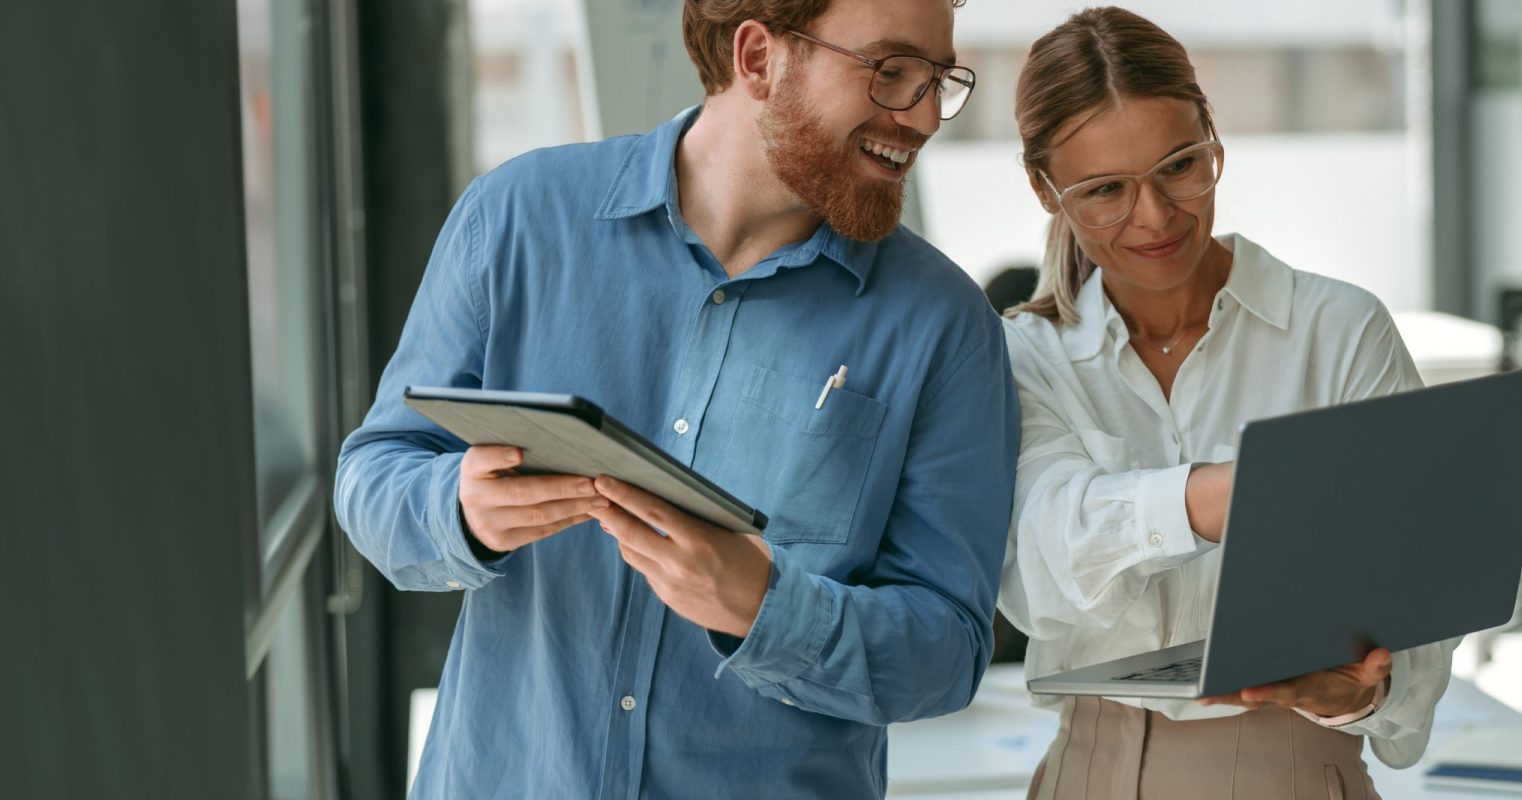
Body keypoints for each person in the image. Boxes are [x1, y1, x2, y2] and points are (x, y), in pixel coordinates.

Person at [332, 0, 1018, 796]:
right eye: (891, 72)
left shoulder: (947, 327)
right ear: (759, 57)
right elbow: (372, 472)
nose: (927, 116)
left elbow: (950, 650)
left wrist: (768, 607)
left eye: (939, 79)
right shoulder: (517, 219)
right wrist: (458, 509)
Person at [995, 8, 1457, 799]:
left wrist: (1365, 693)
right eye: (1105, 190)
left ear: (1214, 135)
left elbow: (1423, 607)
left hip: (1294, 766)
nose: (1156, 216)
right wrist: (1223, 494)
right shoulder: (1022, 357)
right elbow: (1033, 568)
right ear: (1046, 190)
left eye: (1180, 166)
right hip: (1088, 768)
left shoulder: (1337, 330)